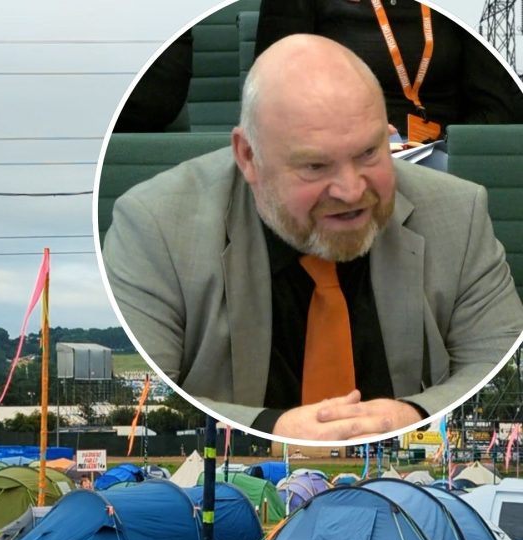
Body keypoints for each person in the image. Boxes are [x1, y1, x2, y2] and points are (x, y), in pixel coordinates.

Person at [101, 34, 523, 441]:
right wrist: (270, 427)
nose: (352, 191)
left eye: (368, 153)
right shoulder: (154, 226)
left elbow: (499, 361)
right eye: (316, 167)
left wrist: (417, 414)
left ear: (388, 133)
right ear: (248, 157)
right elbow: (153, 398)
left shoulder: (458, 212)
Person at [254, 0, 523, 141]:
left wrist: (450, 144)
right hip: (339, 146)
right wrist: (349, 137)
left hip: (445, 150)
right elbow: (274, 94)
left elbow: (499, 108)